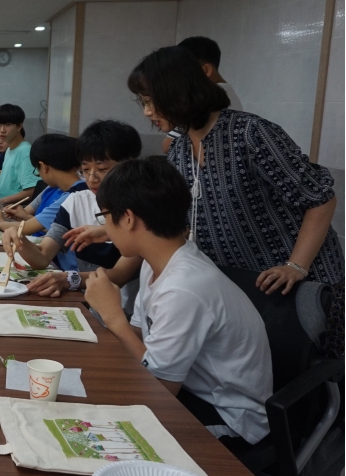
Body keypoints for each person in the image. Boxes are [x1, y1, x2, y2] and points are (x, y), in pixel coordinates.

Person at [84, 158, 272, 448]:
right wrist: (100, 321)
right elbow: (142, 339)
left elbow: (158, 388)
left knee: (101, 435)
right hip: (187, 388)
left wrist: (114, 318)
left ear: (129, 218)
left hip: (227, 418)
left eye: (105, 216)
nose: (105, 227)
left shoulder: (183, 287)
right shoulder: (158, 260)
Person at [130, 46, 343, 300]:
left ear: (175, 92)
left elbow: (320, 198)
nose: (147, 112)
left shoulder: (250, 133)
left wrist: (295, 266)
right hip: (242, 285)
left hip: (298, 284)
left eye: (150, 101)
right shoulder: (179, 148)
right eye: (143, 103)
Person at [5, 120, 142, 291]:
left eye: (102, 168)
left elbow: (118, 275)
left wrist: (69, 278)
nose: (92, 178)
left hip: (122, 310)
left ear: (128, 165)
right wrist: (19, 239)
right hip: (86, 301)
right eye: (85, 169)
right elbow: (42, 256)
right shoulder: (76, 201)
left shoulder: (142, 209)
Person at [0, 134, 84, 242]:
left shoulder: (74, 195)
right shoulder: (52, 187)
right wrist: (23, 215)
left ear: (43, 167)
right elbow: (26, 213)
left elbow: (25, 228)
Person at [160, 37, 247, 153]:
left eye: (182, 72)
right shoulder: (227, 92)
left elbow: (168, 145)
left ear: (206, 70)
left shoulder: (209, 97)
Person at [0, 104, 37, 204]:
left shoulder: (25, 152)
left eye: (8, 124)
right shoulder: (10, 149)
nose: (2, 130)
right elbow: (5, 179)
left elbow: (31, 191)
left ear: (19, 126)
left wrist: (0, 201)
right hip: (2, 205)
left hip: (13, 210)